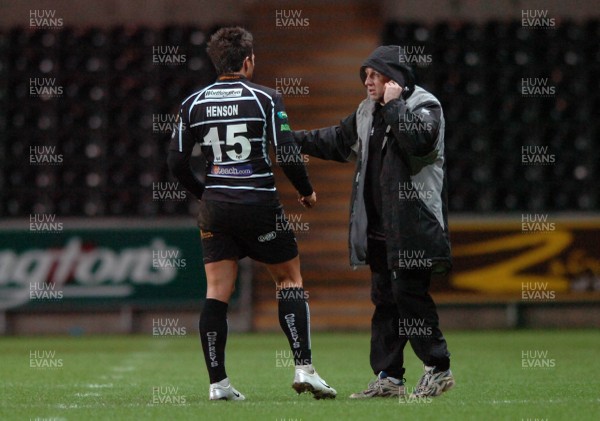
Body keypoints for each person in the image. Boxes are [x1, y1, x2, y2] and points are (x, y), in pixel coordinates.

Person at [167, 26, 336, 401]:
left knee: (216, 292)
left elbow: (177, 163)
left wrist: (205, 194)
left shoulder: (192, 104)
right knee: (289, 278)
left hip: (216, 209)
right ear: (247, 61)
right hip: (259, 204)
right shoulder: (266, 98)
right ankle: (304, 369)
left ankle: (219, 385)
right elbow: (287, 151)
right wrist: (306, 191)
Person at [293, 45, 455, 399]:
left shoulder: (425, 106)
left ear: (394, 78)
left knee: (409, 295)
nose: (367, 81)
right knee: (385, 300)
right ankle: (389, 378)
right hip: (380, 228)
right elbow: (338, 140)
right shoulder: (368, 111)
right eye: (365, 75)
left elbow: (417, 141)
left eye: (374, 74)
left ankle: (438, 368)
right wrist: (293, 140)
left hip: (414, 224)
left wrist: (395, 105)